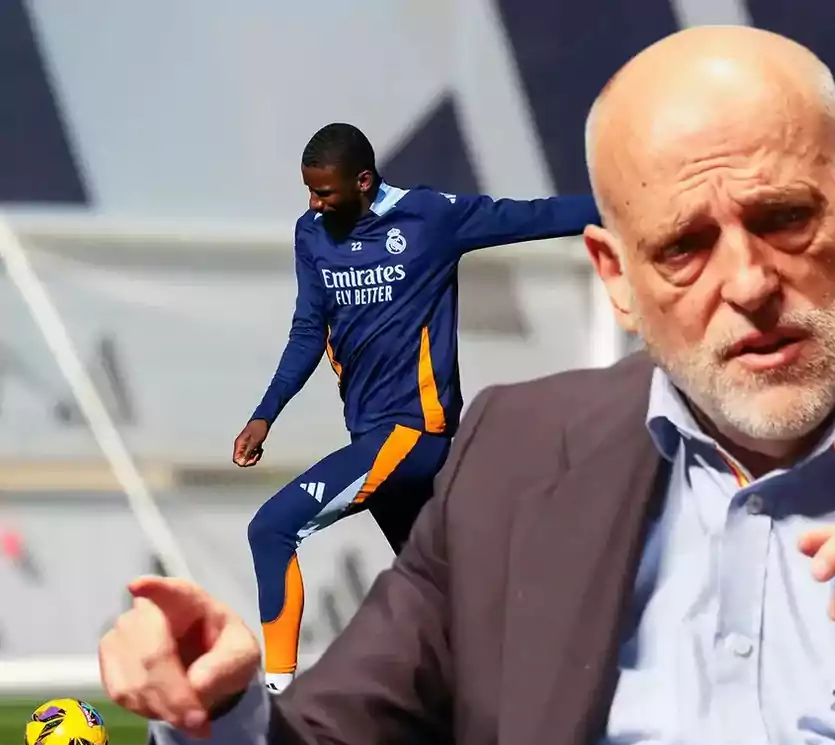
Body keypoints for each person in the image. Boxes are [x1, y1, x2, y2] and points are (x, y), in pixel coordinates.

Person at [103, 27, 835, 745]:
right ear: (615, 277)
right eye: (683, 246)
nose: (748, 281)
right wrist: (218, 716)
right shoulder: (513, 457)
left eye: (780, 218)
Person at [231, 122, 600, 694]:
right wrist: (265, 413)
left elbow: (536, 215)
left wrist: (628, 205)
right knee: (447, 596)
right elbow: (309, 330)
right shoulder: (312, 234)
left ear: (363, 179)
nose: (314, 203)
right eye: (309, 191)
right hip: (370, 438)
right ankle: (551, 688)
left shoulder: (430, 217)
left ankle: (276, 701)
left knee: (273, 529)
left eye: (325, 192)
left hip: (415, 433)